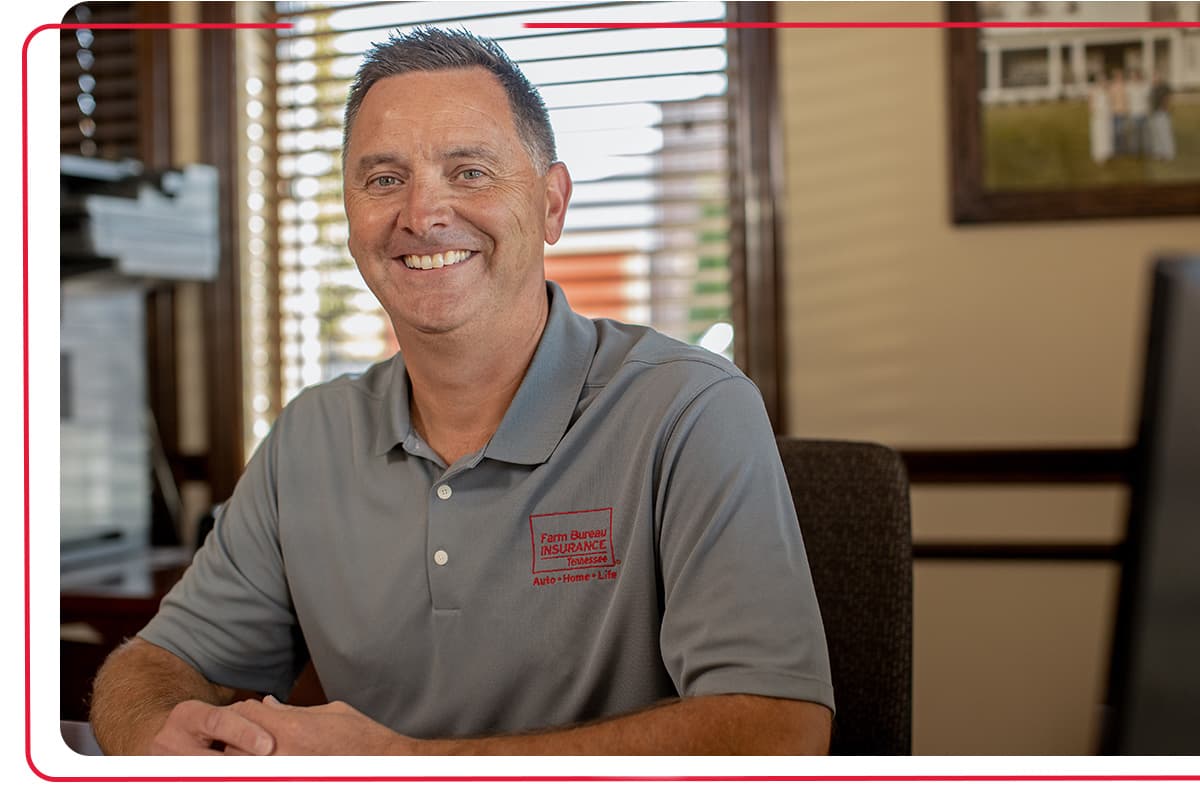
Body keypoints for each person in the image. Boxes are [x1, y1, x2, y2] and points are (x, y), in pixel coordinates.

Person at [88, 28, 834, 756]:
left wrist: (404, 766)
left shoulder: (688, 410)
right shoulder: (309, 437)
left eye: (469, 171)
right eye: (384, 180)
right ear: (351, 219)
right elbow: (150, 668)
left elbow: (779, 731)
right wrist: (160, 739)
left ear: (551, 204)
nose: (422, 216)